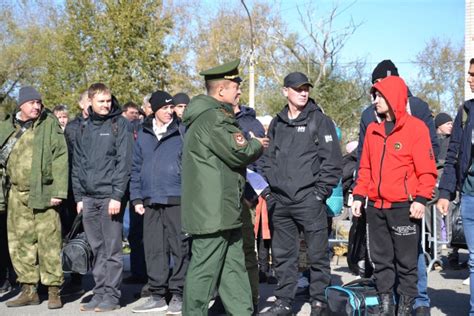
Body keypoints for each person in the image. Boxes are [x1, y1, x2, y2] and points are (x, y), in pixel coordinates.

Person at [181, 59, 268, 315]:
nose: (239, 91)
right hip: (213, 213)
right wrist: (257, 144)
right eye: (235, 87)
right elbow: (239, 152)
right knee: (204, 273)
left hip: (224, 210)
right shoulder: (214, 119)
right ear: (221, 91)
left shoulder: (211, 116)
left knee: (234, 270)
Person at [355, 59, 436, 315]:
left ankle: (406, 306)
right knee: (382, 262)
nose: (376, 100)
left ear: (394, 97)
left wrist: (421, 199)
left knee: (407, 263)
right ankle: (387, 305)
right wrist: (358, 195)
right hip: (376, 208)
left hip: (404, 207)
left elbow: (427, 170)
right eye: (375, 95)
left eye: (380, 96)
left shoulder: (416, 129)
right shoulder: (373, 131)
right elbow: (365, 168)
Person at [261, 72, 342, 315]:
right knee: (284, 257)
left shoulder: (320, 120)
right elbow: (268, 158)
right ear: (285, 91)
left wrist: (319, 193)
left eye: (306, 88)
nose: (303, 92)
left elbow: (332, 162)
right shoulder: (277, 122)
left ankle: (319, 302)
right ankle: (284, 302)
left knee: (317, 255)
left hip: (309, 200)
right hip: (281, 201)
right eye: (297, 89)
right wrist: (269, 192)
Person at [1, 86, 68, 309]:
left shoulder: (49, 124)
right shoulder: (7, 126)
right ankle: (28, 290)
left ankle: (53, 290)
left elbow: (60, 157)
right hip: (16, 194)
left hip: (45, 193)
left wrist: (58, 191)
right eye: (32, 103)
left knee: (49, 241)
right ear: (21, 104)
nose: (37, 106)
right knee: (20, 242)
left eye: (39, 102)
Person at [71, 83, 133, 312]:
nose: (106, 105)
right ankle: (99, 292)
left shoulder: (120, 125)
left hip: (109, 197)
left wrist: (117, 195)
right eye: (101, 101)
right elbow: (77, 165)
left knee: (112, 249)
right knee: (96, 248)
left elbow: (123, 163)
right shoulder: (83, 127)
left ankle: (112, 296)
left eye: (108, 100)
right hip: (88, 198)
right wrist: (79, 196)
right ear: (90, 102)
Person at [130, 90, 189, 314]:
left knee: (180, 248)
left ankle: (179, 293)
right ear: (154, 110)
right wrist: (136, 197)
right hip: (150, 199)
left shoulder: (182, 131)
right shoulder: (143, 133)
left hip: (176, 198)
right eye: (164, 108)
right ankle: (157, 294)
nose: (169, 111)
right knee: (154, 249)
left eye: (171, 107)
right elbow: (135, 168)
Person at [437, 57, 474, 315]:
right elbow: (453, 155)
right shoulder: (466, 111)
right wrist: (445, 192)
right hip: (470, 195)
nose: (470, 79)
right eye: (470, 74)